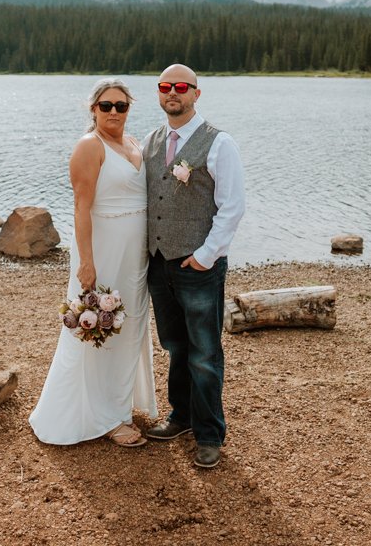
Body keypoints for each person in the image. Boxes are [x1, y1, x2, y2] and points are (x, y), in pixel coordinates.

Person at [29, 78, 158, 447]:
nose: (114, 112)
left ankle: (118, 403)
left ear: (130, 108)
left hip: (135, 258)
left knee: (129, 328)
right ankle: (106, 418)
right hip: (102, 251)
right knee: (97, 330)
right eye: (106, 106)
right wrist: (86, 263)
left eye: (121, 105)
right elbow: (81, 208)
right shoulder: (90, 146)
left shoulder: (134, 144)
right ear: (93, 109)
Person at [142, 64, 245, 469]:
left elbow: (233, 207)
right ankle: (181, 417)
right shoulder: (151, 141)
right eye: (166, 87)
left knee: (204, 352)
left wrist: (206, 255)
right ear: (159, 93)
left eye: (181, 87)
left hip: (198, 265)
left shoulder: (220, 143)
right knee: (175, 346)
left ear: (196, 94)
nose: (173, 93)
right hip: (158, 264)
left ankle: (209, 434)